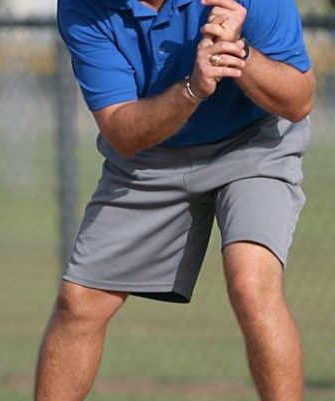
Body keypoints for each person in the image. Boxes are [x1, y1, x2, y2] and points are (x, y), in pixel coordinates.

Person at [36, 0, 315, 400]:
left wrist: (240, 55)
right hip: (150, 153)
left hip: (251, 142)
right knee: (79, 303)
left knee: (251, 283)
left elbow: (299, 100)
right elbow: (122, 131)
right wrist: (192, 89)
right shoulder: (85, 7)